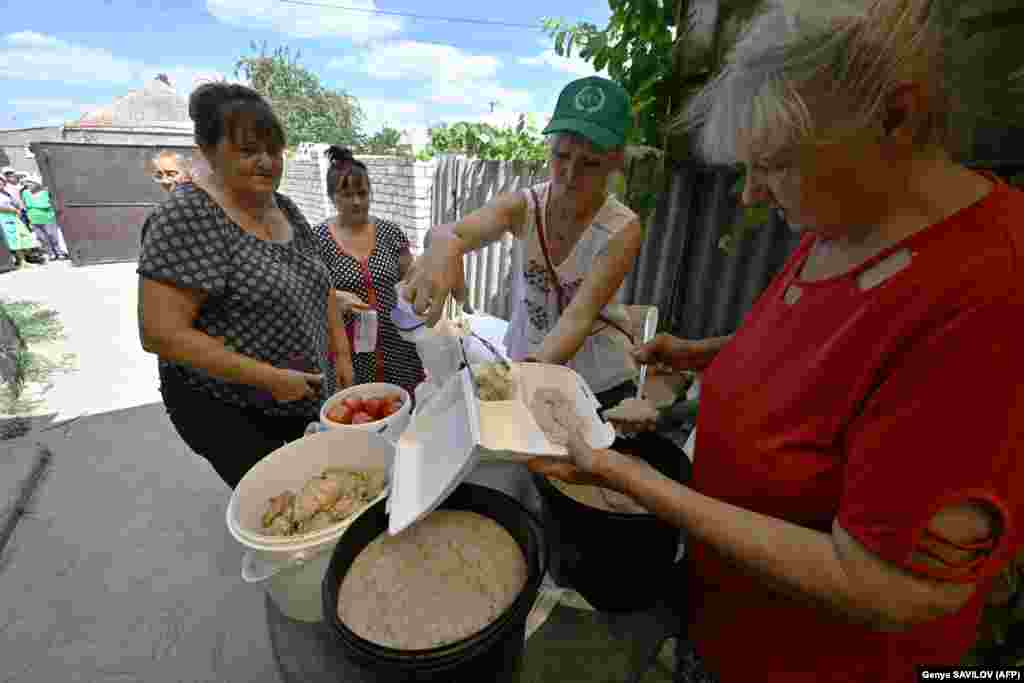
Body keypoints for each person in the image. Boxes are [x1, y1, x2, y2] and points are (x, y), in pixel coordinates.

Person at [528, 1, 1024, 681]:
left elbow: (893, 585)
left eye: (777, 164)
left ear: (895, 119)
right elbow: (837, 353)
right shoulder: (851, 218)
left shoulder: (990, 293)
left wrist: (637, 481)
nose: (750, 196)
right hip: (725, 622)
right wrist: (714, 352)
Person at [137, 82, 354, 489]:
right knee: (285, 501)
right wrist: (268, 377)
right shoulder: (186, 217)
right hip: (232, 409)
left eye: (274, 150)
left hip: (299, 395)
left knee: (321, 485)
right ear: (208, 150)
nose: (267, 162)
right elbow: (161, 334)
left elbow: (321, 286)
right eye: (249, 150)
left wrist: (341, 356)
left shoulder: (283, 206)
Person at [403, 76, 644, 411]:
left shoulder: (622, 229)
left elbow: (577, 319)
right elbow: (456, 232)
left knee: (576, 452)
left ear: (616, 161)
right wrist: (443, 245)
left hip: (597, 375)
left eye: (590, 163)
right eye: (562, 156)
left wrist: (508, 389)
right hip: (529, 354)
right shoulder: (525, 205)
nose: (570, 175)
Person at [311, 146, 425, 395]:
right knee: (361, 409)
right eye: (346, 194)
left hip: (398, 346)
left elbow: (412, 280)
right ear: (332, 196)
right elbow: (309, 293)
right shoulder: (317, 240)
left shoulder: (391, 233)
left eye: (362, 193)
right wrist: (335, 298)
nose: (356, 201)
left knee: (403, 405)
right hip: (350, 350)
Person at [20, 175, 69, 261]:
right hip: (34, 219)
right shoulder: (25, 193)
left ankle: (59, 252)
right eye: (27, 183)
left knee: (52, 235)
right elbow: (25, 205)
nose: (28, 184)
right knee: (41, 238)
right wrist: (29, 217)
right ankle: (51, 253)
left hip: (48, 218)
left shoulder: (45, 192)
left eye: (30, 182)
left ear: (36, 184)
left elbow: (50, 203)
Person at [1, 167, 38, 268]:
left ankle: (25, 259)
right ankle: (20, 261)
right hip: (4, 218)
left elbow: (15, 202)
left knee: (21, 237)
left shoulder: (5, 192)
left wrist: (17, 209)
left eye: (1, 181)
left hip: (14, 216)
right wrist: (12, 210)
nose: (1, 183)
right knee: (12, 240)